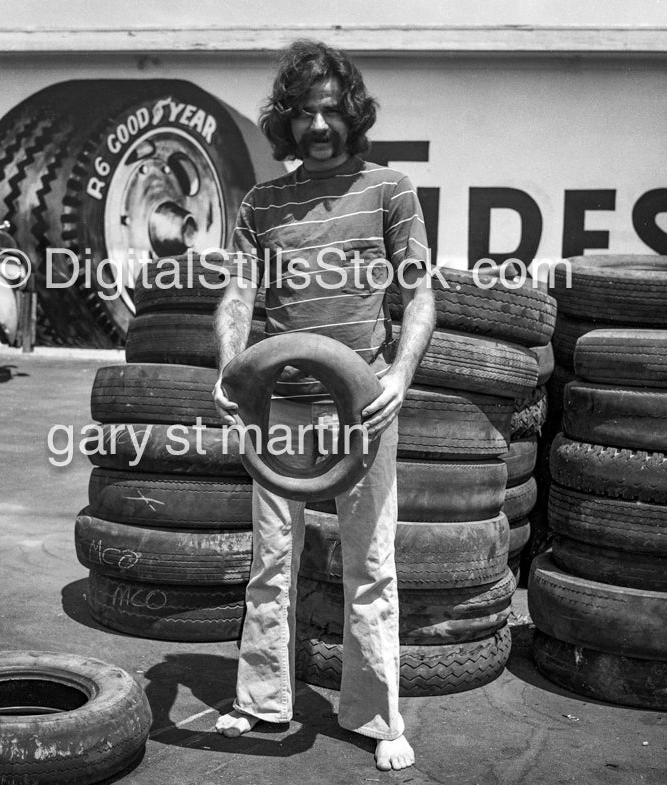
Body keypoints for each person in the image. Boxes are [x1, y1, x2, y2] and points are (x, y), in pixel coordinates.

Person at [211, 39, 436, 772]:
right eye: (304, 111)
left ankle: (377, 715)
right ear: (286, 121)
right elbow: (239, 293)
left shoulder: (390, 188)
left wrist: (400, 373)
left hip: (362, 409)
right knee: (271, 561)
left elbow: (420, 294)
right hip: (279, 410)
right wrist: (230, 371)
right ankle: (261, 699)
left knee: (370, 563)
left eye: (332, 109)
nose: (317, 124)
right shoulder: (261, 202)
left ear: (353, 116)